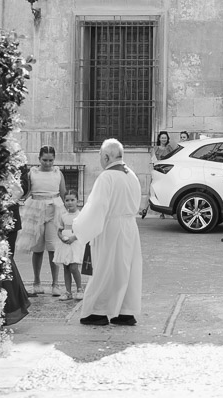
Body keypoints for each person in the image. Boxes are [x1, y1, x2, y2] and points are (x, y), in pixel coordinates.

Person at [73, 138, 144, 326]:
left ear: (106, 156)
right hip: (130, 227)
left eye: (99, 156)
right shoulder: (132, 175)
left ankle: (97, 311)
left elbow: (97, 207)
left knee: (105, 269)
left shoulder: (107, 177)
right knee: (125, 270)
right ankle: (125, 311)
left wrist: (78, 229)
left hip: (110, 228)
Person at [17, 145, 67, 296]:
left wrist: (66, 213)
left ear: (54, 159)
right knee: (37, 248)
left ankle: (55, 284)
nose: (47, 163)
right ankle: (37, 282)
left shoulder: (58, 173)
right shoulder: (32, 173)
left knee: (53, 247)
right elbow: (26, 191)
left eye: (51, 160)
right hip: (36, 209)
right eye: (44, 160)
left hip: (54, 208)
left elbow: (63, 193)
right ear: (39, 159)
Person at [2, 134, 30, 325]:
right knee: (7, 260)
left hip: (7, 216)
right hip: (9, 215)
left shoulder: (14, 159)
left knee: (6, 261)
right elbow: (25, 186)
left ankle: (11, 307)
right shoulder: (15, 155)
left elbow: (23, 187)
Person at [52, 191, 86, 301]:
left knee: (73, 267)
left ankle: (79, 288)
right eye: (67, 200)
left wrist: (73, 238)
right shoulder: (63, 216)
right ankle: (68, 291)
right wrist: (61, 237)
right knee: (66, 267)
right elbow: (59, 230)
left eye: (72, 200)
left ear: (77, 201)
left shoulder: (80, 215)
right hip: (64, 244)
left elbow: (82, 230)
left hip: (75, 243)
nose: (70, 202)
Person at [141, 130, 173, 218]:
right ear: (159, 138)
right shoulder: (155, 148)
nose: (164, 139)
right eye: (162, 137)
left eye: (165, 138)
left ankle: (163, 212)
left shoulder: (170, 148)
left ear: (167, 139)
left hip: (166, 173)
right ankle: (145, 209)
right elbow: (153, 160)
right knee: (152, 191)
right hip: (157, 172)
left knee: (163, 191)